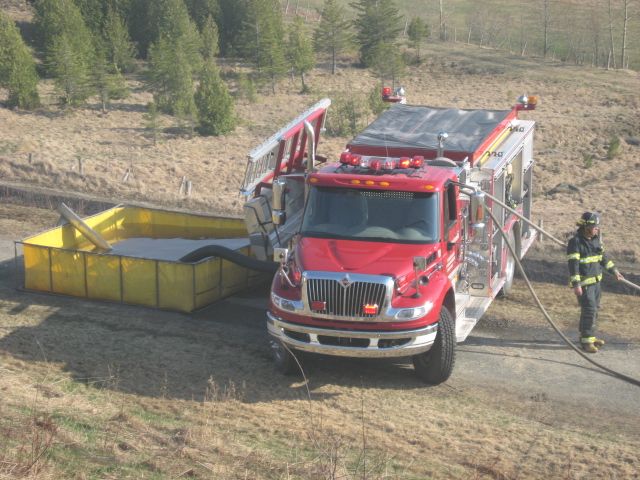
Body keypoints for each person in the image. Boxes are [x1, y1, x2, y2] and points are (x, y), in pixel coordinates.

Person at [567, 212, 624, 353]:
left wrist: (615, 271)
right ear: (586, 227)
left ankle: (589, 337)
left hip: (597, 283)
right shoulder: (575, 242)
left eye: (597, 226)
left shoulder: (596, 240)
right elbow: (573, 265)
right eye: (594, 226)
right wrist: (576, 285)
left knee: (594, 310)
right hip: (585, 285)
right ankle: (587, 343)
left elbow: (603, 258)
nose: (597, 228)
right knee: (589, 310)